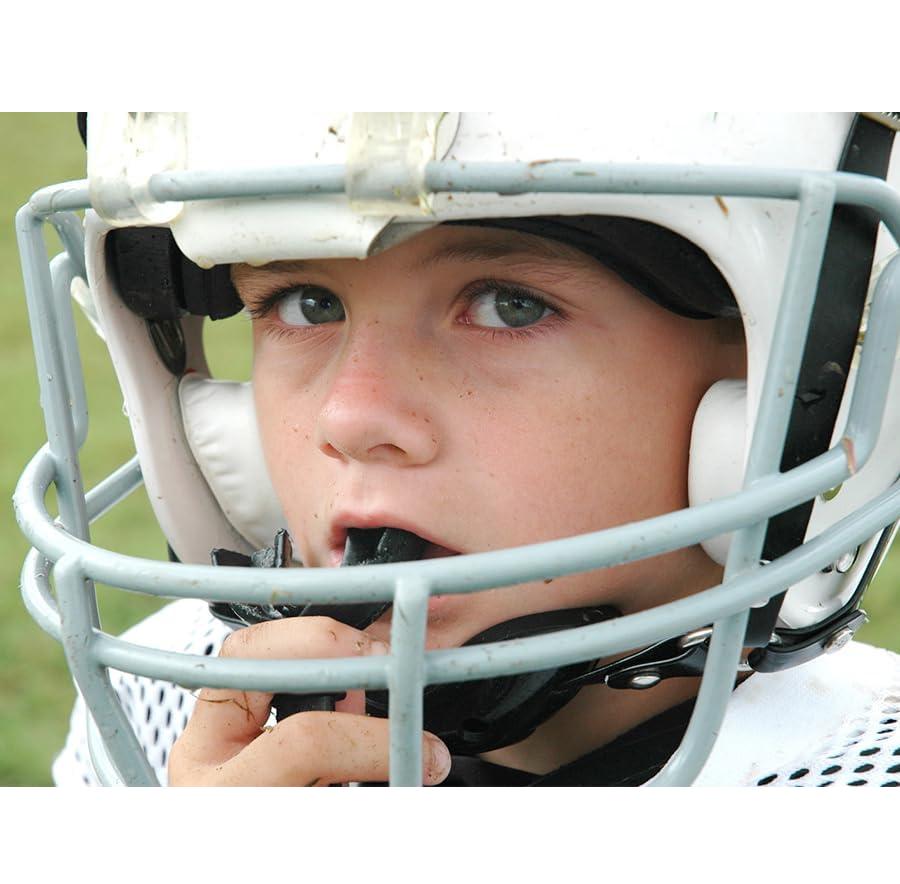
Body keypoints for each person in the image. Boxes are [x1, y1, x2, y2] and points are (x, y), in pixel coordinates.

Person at [21, 112, 900, 787]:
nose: (353, 416)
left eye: (508, 305)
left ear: (781, 398)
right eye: (304, 304)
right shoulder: (178, 708)